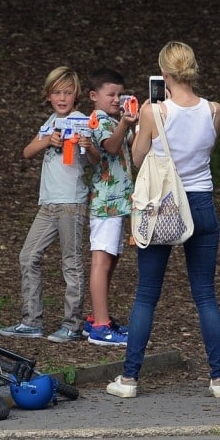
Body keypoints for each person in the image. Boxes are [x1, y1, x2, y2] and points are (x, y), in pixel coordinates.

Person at [106, 41, 220, 398]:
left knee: (146, 294)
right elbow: (208, 149)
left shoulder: (153, 112)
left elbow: (138, 154)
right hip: (202, 202)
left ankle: (129, 379)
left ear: (163, 75)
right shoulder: (214, 110)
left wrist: (139, 121)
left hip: (163, 204)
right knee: (205, 295)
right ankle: (219, 378)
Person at [0, 66, 98, 343]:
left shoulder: (81, 120)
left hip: (71, 203)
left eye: (67, 93)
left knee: (71, 262)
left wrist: (86, 144)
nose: (62, 98)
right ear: (49, 96)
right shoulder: (50, 122)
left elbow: (94, 158)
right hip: (48, 204)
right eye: (57, 93)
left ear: (76, 95)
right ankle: (31, 321)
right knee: (28, 256)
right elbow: (27, 151)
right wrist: (48, 139)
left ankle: (72, 324)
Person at [83, 68, 137, 346]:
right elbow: (112, 147)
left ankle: (97, 317)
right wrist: (125, 125)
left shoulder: (114, 120)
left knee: (110, 260)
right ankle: (100, 327)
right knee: (101, 262)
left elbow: (133, 147)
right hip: (106, 203)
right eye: (111, 94)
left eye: (120, 94)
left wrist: (137, 121)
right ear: (94, 96)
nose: (116, 99)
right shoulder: (100, 121)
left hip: (118, 203)